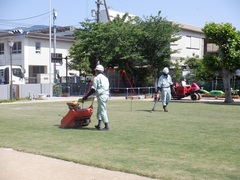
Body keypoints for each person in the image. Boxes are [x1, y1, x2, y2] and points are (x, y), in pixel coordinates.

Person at [83, 64, 110, 130]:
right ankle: (99, 124)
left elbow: (93, 89)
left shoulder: (97, 78)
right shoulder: (105, 78)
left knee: (102, 110)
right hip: (106, 95)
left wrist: (86, 96)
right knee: (100, 109)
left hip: (101, 95)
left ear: (97, 71)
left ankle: (106, 126)